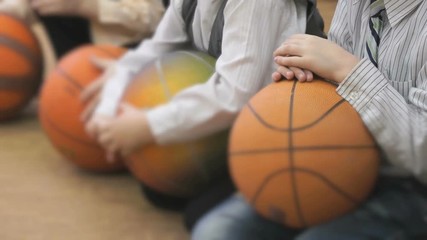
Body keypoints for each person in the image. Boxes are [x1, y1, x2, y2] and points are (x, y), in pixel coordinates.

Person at [191, 0, 427, 239]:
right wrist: (306, 81)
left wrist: (351, 72)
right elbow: (335, 95)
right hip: (341, 160)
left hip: (412, 187)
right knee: (215, 232)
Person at [82, 0, 318, 230]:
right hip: (239, 120)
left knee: (198, 214)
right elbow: (149, 54)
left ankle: (301, 206)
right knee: (160, 190)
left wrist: (148, 125)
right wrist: (107, 114)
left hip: (288, 130)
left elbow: (234, 94)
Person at [0, 0, 166, 58]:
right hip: (73, 77)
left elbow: (155, 18)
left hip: (129, 62)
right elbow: (20, 8)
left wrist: (85, 5)